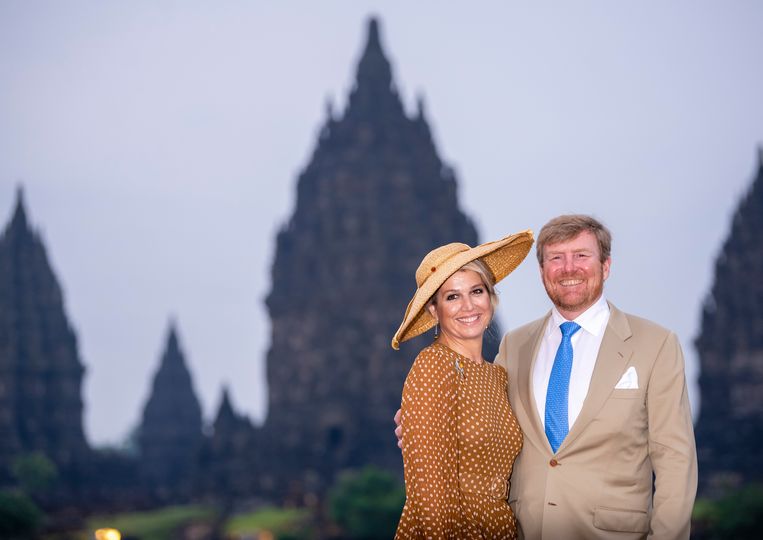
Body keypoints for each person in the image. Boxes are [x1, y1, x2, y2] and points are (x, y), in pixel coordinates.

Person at [395, 214, 698, 539]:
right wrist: (418, 424)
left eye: (581, 256)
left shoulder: (654, 344)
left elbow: (675, 460)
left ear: (606, 266)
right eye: (556, 258)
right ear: (542, 272)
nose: (569, 268)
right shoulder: (516, 346)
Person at [391, 230, 534, 539]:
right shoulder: (433, 366)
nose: (468, 306)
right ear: (434, 309)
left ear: (491, 296)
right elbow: (430, 499)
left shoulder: (498, 376)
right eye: (452, 296)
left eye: (477, 291)